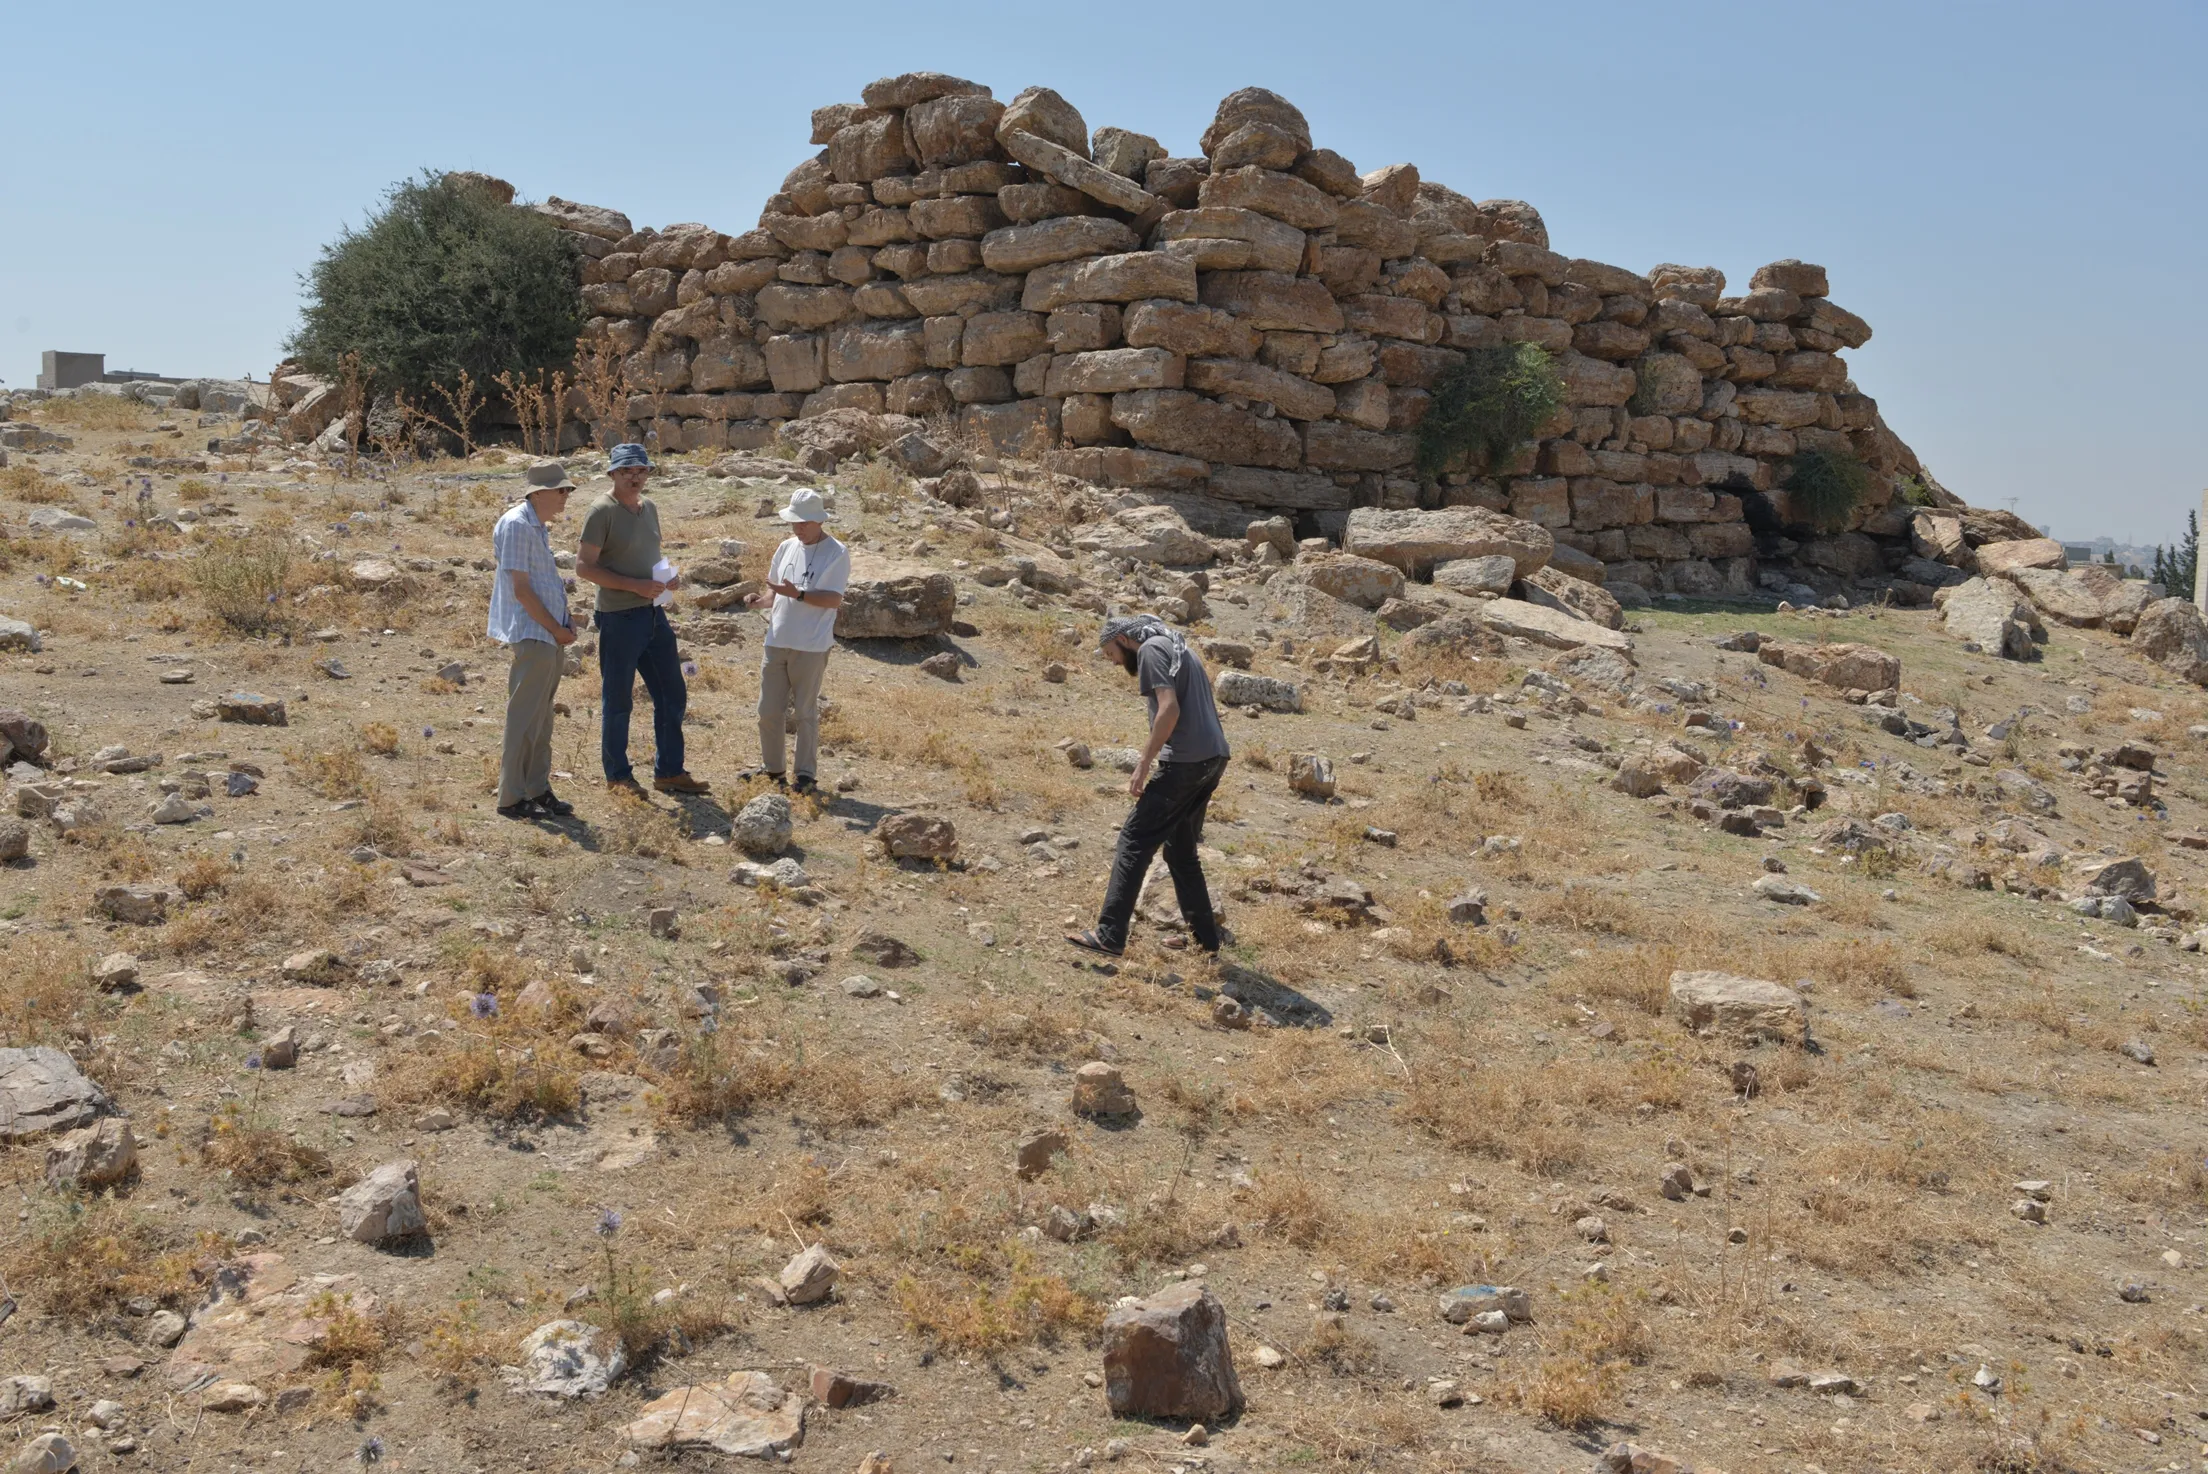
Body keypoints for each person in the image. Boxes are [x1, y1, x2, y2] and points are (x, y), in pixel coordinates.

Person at [1066, 614, 1231, 957]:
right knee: (1180, 851)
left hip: (1185, 763)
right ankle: (1205, 942)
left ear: (1124, 641)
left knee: (1134, 839)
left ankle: (1110, 935)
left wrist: (1143, 763)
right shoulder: (1175, 644)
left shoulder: (1151, 651)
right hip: (1213, 759)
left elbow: (1168, 710)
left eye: (1111, 653)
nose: (1113, 662)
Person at [575, 442, 709, 797]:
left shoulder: (649, 507)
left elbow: (649, 554)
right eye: (626, 471)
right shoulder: (600, 510)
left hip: (654, 613)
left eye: (641, 470)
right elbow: (584, 567)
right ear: (612, 474)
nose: (634, 477)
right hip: (618, 617)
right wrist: (634, 586)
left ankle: (669, 771)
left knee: (672, 693)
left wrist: (667, 579)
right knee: (618, 700)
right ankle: (618, 777)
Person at [488, 459, 578, 820]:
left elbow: (540, 583)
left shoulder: (535, 525)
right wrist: (556, 629)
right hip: (534, 633)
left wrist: (565, 621)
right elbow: (522, 590)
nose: (566, 497)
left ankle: (537, 789)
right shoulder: (517, 525)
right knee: (525, 716)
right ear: (539, 493)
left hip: (547, 634)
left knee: (542, 718)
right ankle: (511, 797)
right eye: (561, 490)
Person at [745, 487, 848, 793]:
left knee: (804, 713)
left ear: (819, 520)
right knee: (768, 710)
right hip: (777, 639)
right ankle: (773, 769)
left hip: (811, 646)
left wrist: (800, 594)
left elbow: (833, 599)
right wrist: (760, 601)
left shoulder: (837, 552)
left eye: (804, 522)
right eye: (794, 521)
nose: (798, 527)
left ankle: (805, 776)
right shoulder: (786, 546)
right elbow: (774, 593)